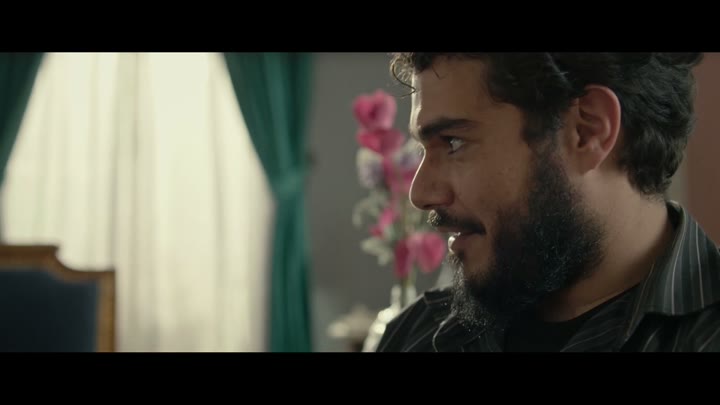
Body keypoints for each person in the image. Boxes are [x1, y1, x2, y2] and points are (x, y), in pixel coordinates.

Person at [375, 52, 720, 352]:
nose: (420, 194)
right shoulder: (414, 335)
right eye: (422, 149)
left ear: (587, 130)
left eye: (453, 143)